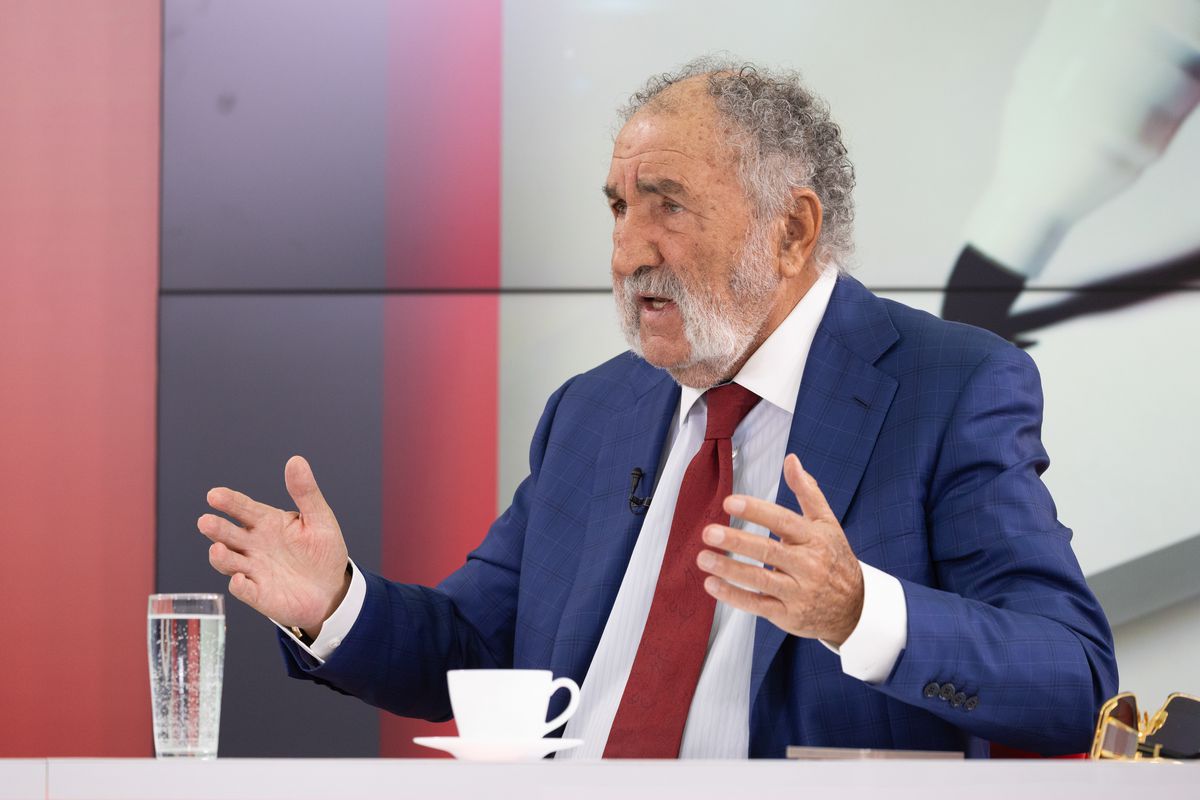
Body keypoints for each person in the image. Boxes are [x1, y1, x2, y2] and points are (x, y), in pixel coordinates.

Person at [198, 58, 1117, 759]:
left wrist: (856, 611)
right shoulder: (593, 411)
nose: (626, 252)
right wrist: (337, 604)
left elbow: (1073, 678)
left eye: (667, 207)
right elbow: (476, 646)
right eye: (617, 208)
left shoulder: (948, 386)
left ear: (792, 230)